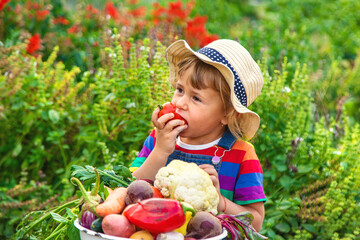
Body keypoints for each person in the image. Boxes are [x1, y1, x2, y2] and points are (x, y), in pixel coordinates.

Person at [130, 39, 266, 231]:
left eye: (196, 98)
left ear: (227, 114)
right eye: (179, 90)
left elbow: (256, 222)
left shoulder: (242, 155)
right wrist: (160, 152)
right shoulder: (158, 138)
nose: (180, 103)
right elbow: (130, 189)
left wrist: (219, 201)